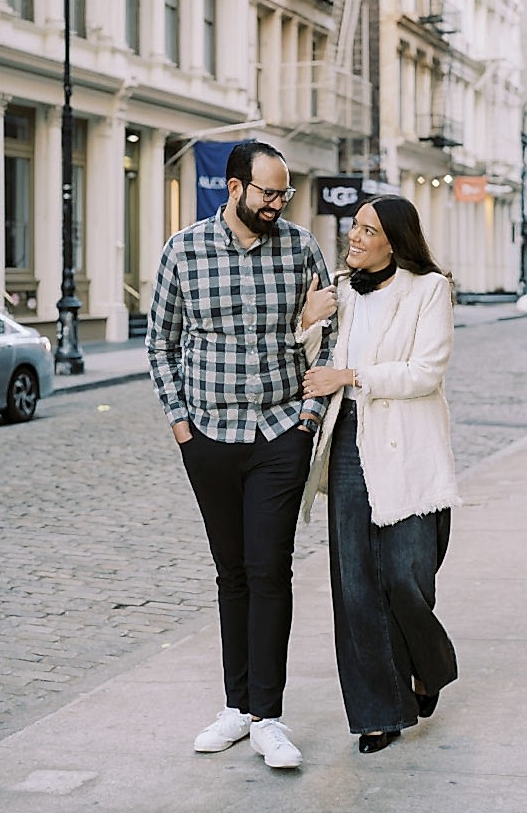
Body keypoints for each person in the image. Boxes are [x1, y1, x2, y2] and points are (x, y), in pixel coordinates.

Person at [147, 140, 337, 770]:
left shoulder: (302, 247)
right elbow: (161, 345)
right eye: (267, 193)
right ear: (233, 188)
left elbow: (331, 332)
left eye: (284, 194)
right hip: (208, 437)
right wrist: (182, 427)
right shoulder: (184, 249)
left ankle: (270, 717)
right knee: (231, 572)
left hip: (280, 432)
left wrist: (307, 420)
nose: (277, 205)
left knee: (269, 569)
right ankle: (237, 706)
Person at [300, 195, 460, 754]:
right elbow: (309, 359)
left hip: (408, 449)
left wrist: (349, 374)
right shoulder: (343, 290)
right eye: (354, 226)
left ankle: (428, 664)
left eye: (367, 230)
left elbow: (424, 371)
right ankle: (376, 712)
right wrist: (307, 320)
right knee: (355, 583)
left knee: (405, 577)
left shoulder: (429, 289)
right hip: (349, 441)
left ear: (394, 239)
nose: (355, 236)